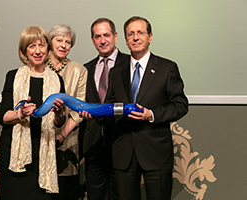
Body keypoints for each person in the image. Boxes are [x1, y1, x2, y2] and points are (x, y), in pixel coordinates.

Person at [103, 16, 189, 200]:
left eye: (140, 33)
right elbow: (110, 107)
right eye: (130, 34)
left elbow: (180, 105)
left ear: (150, 37)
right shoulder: (116, 72)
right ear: (125, 39)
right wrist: (93, 113)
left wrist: (152, 114)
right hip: (123, 152)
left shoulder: (167, 68)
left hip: (155, 152)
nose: (135, 38)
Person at [0, 26, 66, 200]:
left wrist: (59, 113)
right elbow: (3, 117)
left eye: (42, 45)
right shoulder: (13, 76)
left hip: (44, 151)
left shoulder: (57, 80)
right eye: (31, 46)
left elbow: (59, 123)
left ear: (48, 49)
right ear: (24, 51)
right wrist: (20, 113)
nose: (37, 51)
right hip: (15, 154)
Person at [80, 18, 128, 200]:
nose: (102, 40)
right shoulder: (85, 69)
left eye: (106, 35)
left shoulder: (130, 64)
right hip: (93, 146)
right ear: (92, 40)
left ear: (115, 36)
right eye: (97, 36)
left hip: (121, 142)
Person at [48, 24, 88, 200]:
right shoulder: (38, 66)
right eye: (59, 40)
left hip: (68, 138)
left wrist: (62, 136)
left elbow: (80, 109)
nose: (64, 45)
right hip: (40, 137)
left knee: (66, 192)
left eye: (68, 42)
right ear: (50, 42)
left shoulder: (79, 70)